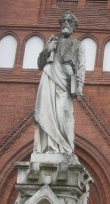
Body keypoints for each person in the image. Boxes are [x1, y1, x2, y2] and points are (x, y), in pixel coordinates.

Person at [32, 10, 85, 158]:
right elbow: (40, 64)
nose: (66, 24)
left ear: (74, 26)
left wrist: (80, 85)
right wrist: (46, 51)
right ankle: (48, 147)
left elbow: (81, 67)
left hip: (65, 82)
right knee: (45, 111)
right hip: (49, 78)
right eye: (64, 21)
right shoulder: (52, 41)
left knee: (63, 113)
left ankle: (64, 147)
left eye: (69, 22)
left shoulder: (78, 45)